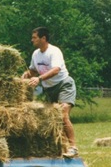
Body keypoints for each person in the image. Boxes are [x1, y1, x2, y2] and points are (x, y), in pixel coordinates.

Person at [22, 27, 78, 158]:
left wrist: (39, 78)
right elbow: (33, 71)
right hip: (49, 89)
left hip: (64, 84)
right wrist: (26, 75)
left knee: (63, 115)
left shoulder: (54, 51)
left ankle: (73, 147)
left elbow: (56, 70)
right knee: (51, 119)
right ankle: (59, 147)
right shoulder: (36, 54)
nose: (32, 40)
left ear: (43, 38)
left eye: (34, 37)